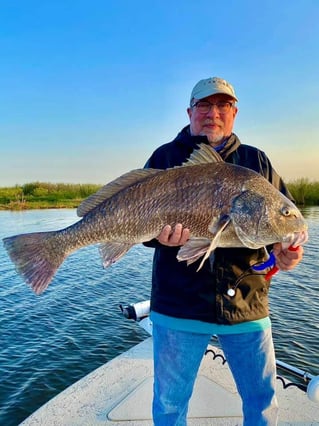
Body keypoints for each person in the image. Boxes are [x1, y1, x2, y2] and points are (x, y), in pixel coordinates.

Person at [143, 77, 304, 426]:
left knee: (262, 404)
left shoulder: (256, 162)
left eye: (223, 106)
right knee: (169, 406)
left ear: (234, 113)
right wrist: (161, 239)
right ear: (189, 112)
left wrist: (288, 254)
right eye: (204, 105)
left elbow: (284, 228)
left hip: (246, 304)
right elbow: (139, 224)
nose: (212, 114)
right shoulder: (164, 157)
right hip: (178, 305)